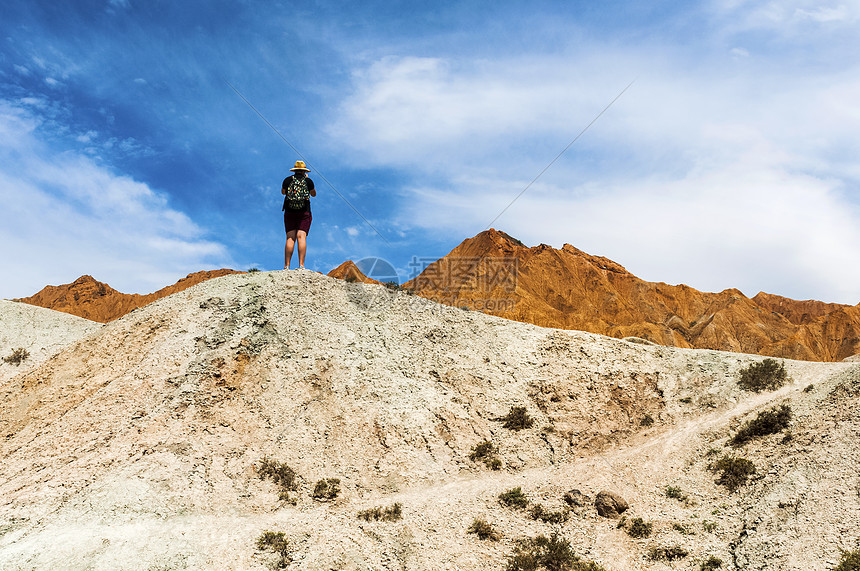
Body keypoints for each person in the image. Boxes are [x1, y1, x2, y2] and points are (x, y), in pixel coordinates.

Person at [281, 160, 317, 269]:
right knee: (301, 237)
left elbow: (283, 192)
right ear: (304, 171)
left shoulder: (287, 180)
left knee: (290, 238)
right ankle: (301, 265)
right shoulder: (308, 181)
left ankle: (287, 266)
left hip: (289, 211)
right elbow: (314, 194)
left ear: (295, 170)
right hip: (304, 211)